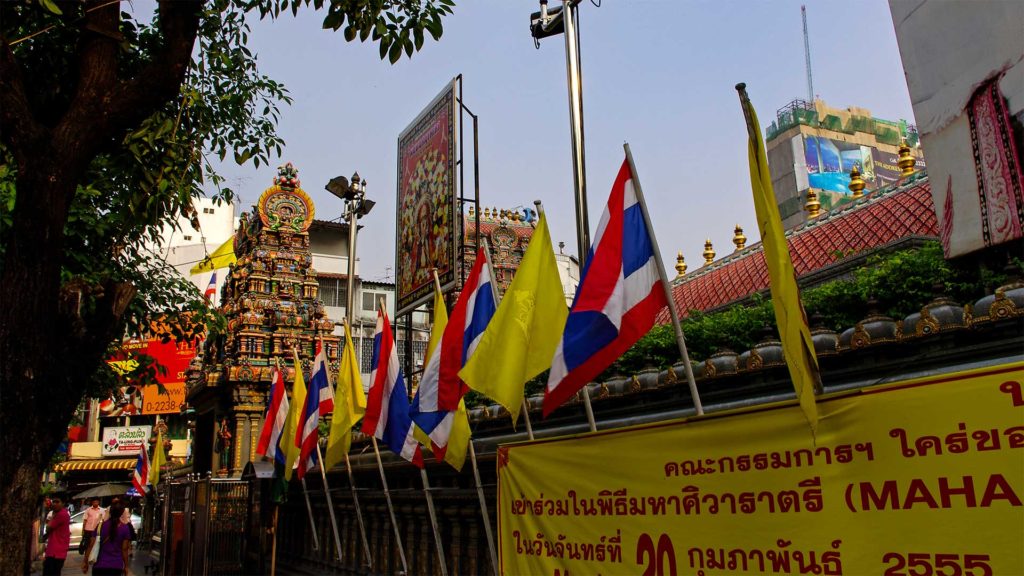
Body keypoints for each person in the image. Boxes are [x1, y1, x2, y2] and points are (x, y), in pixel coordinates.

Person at [82, 502, 131, 576]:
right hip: (116, 566)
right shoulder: (125, 528)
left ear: (110, 511)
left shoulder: (100, 526)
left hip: (99, 565)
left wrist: (85, 562)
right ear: (121, 513)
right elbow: (124, 549)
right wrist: (126, 566)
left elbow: (91, 545)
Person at [42, 496, 71, 575]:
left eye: (57, 502)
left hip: (56, 551)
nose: (54, 504)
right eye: (53, 502)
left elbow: (48, 527)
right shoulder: (61, 513)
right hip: (55, 550)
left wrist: (53, 515)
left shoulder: (61, 514)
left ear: (63, 503)